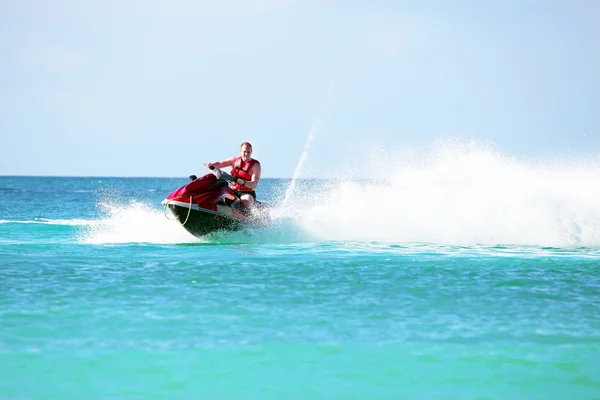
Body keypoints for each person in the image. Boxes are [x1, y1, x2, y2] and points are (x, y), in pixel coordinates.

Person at [204, 142, 261, 212]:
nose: (246, 154)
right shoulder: (233, 160)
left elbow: (254, 184)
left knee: (247, 200)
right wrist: (211, 165)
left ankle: (247, 219)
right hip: (233, 191)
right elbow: (220, 164)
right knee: (218, 194)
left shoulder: (255, 165)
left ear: (251, 152)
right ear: (241, 151)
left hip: (247, 193)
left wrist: (243, 182)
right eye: (244, 152)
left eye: (248, 152)